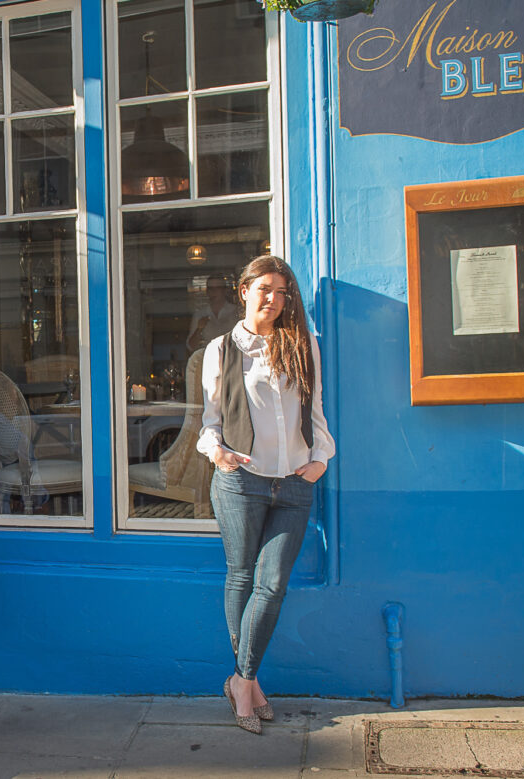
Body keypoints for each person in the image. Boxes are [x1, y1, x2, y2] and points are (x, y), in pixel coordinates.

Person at [196, 256, 335, 734]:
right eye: (264, 289)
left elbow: (315, 412)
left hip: (295, 482)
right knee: (241, 576)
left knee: (271, 583)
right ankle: (249, 684)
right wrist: (220, 455)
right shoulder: (221, 349)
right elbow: (209, 423)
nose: (273, 298)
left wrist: (320, 459)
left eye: (281, 291)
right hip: (241, 481)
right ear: (244, 291)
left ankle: (241, 679)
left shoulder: (302, 346)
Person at [187, 274, 239, 352]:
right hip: (209, 359)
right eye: (210, 288)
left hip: (233, 359)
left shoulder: (235, 312)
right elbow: (190, 346)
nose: (213, 292)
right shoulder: (200, 314)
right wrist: (199, 329)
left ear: (224, 290)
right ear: (207, 291)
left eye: (217, 288)